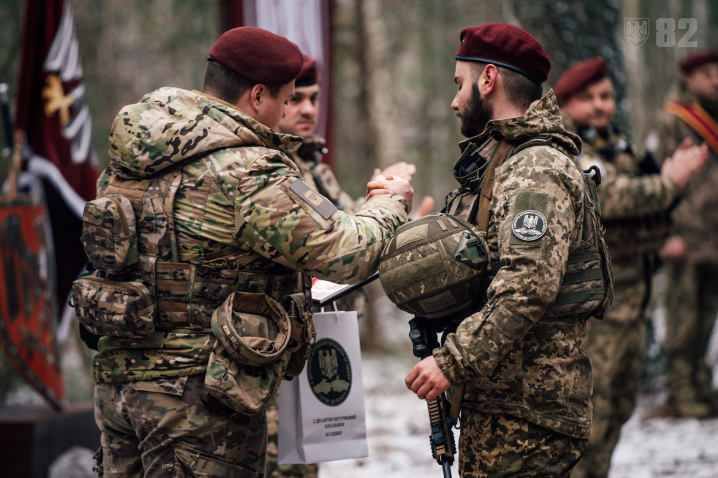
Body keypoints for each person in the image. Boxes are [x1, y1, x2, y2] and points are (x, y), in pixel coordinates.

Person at [87, 27, 412, 477]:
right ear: (258, 95)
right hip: (197, 405)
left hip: (119, 385)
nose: (284, 116)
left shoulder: (137, 153)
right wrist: (390, 200)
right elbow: (348, 252)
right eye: (285, 100)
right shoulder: (246, 170)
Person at [403, 23, 611, 477]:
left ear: (488, 79)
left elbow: (526, 286)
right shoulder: (504, 161)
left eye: (460, 84)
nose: (454, 101)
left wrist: (452, 361)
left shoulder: (534, 167)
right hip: (505, 405)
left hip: (527, 414)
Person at [263, 54, 422, 478]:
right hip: (274, 356)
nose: (308, 110)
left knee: (304, 465)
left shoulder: (315, 165)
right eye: (296, 100)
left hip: (312, 344)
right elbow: (328, 252)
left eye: (314, 99)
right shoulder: (269, 173)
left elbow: (345, 227)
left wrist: (393, 219)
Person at [554, 57, 707, 478]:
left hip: (631, 300)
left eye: (606, 96)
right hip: (595, 308)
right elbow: (610, 197)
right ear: (566, 102)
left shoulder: (613, 142)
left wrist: (663, 204)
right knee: (592, 409)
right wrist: (668, 184)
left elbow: (642, 203)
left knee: (619, 404)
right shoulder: (565, 147)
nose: (600, 105)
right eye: (588, 98)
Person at [645, 51, 718, 418]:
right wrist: (665, 233)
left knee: (706, 318)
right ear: (687, 80)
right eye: (706, 74)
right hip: (684, 238)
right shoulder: (671, 120)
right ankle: (679, 390)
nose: (715, 79)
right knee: (682, 321)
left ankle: (702, 385)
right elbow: (654, 178)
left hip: (714, 237)